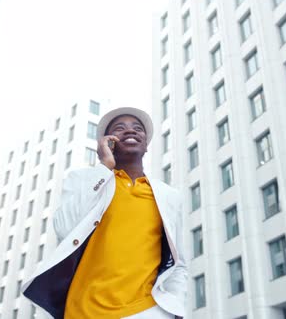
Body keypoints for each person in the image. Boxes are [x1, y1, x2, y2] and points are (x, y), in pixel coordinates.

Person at [22, 107, 187, 319]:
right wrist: (104, 167)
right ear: (107, 142)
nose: (130, 131)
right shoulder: (85, 180)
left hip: (144, 311)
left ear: (146, 145)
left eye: (138, 129)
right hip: (81, 312)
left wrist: (176, 306)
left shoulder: (168, 196)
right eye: (120, 128)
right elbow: (64, 228)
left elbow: (178, 262)